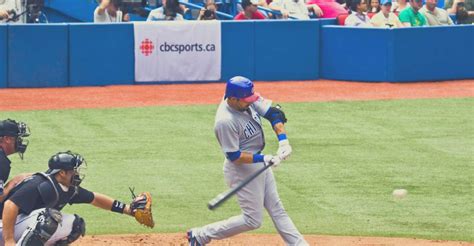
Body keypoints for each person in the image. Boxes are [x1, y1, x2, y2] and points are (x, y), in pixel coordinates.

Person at [187, 76, 308, 246]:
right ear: (233, 99)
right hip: (242, 169)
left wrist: (283, 141)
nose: (251, 103)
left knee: (277, 208)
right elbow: (234, 156)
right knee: (252, 220)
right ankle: (200, 235)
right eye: (246, 100)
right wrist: (264, 158)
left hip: (259, 162)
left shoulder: (246, 98)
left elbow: (274, 114)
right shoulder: (225, 121)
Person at [0, 151, 154, 245]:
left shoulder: (67, 188)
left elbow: (95, 198)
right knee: (48, 219)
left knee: (75, 225)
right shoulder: (40, 184)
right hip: (4, 228)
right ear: (61, 173)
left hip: (21, 226)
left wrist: (129, 210)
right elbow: (9, 205)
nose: (77, 174)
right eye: (73, 170)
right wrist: (9, 241)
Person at [0, 119, 30, 202]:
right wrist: (13, 183)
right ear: (7, 139)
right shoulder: (1, 162)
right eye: (18, 138)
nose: (20, 142)